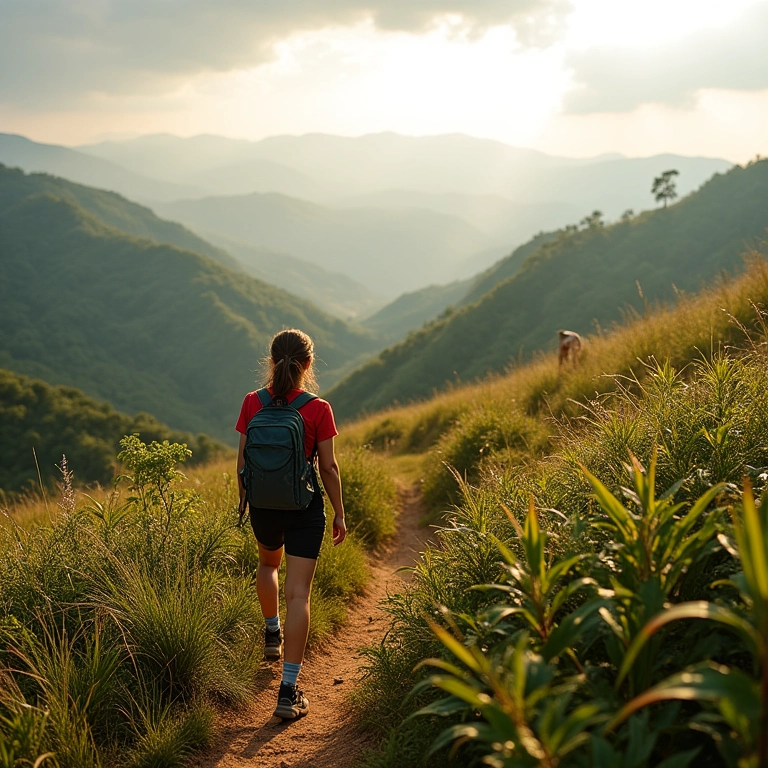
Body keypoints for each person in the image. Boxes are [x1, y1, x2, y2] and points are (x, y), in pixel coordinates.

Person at [236, 328, 346, 720]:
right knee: (299, 594)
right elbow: (329, 467)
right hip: (304, 508)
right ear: (309, 364)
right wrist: (339, 511)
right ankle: (288, 690)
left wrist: (246, 503)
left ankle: (271, 633)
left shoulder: (253, 402)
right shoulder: (319, 408)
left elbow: (243, 464)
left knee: (268, 565)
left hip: (264, 506)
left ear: (271, 360)